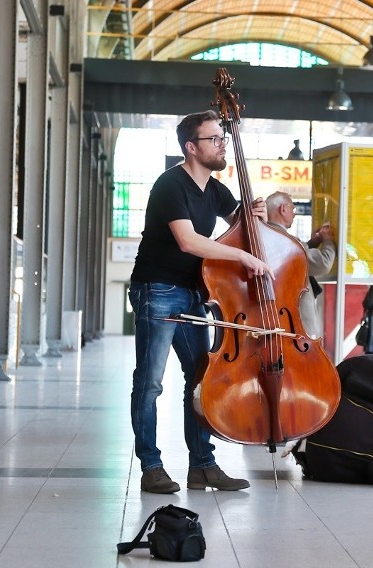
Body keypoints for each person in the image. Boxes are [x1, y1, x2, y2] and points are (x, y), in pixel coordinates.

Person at [128, 110, 272, 494]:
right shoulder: (170, 185)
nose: (222, 144)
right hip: (156, 289)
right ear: (192, 148)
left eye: (223, 138)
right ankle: (151, 466)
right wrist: (242, 257)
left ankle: (203, 466)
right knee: (150, 383)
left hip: (193, 292)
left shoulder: (215, 188)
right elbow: (189, 241)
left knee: (200, 381)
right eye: (215, 139)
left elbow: (239, 224)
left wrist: (251, 216)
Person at [265, 190, 336, 337]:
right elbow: (323, 264)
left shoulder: (265, 235)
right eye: (292, 208)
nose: (294, 214)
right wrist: (328, 240)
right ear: (283, 208)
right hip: (297, 319)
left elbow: (297, 262)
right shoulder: (289, 241)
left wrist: (312, 243)